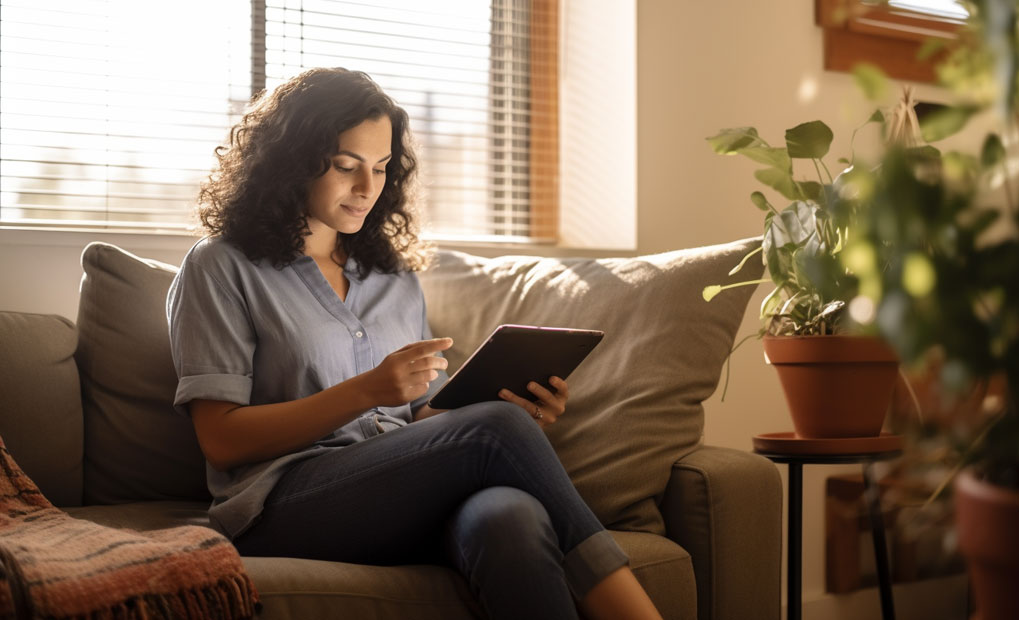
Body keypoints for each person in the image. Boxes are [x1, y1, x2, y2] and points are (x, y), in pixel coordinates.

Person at [166, 67, 662, 620]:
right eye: (345, 166)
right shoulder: (220, 266)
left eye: (380, 169)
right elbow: (222, 440)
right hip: (285, 503)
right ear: (290, 162)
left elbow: (421, 416)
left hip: (402, 492)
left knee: (510, 515)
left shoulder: (392, 275)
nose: (367, 189)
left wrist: (511, 411)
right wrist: (368, 391)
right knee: (495, 433)